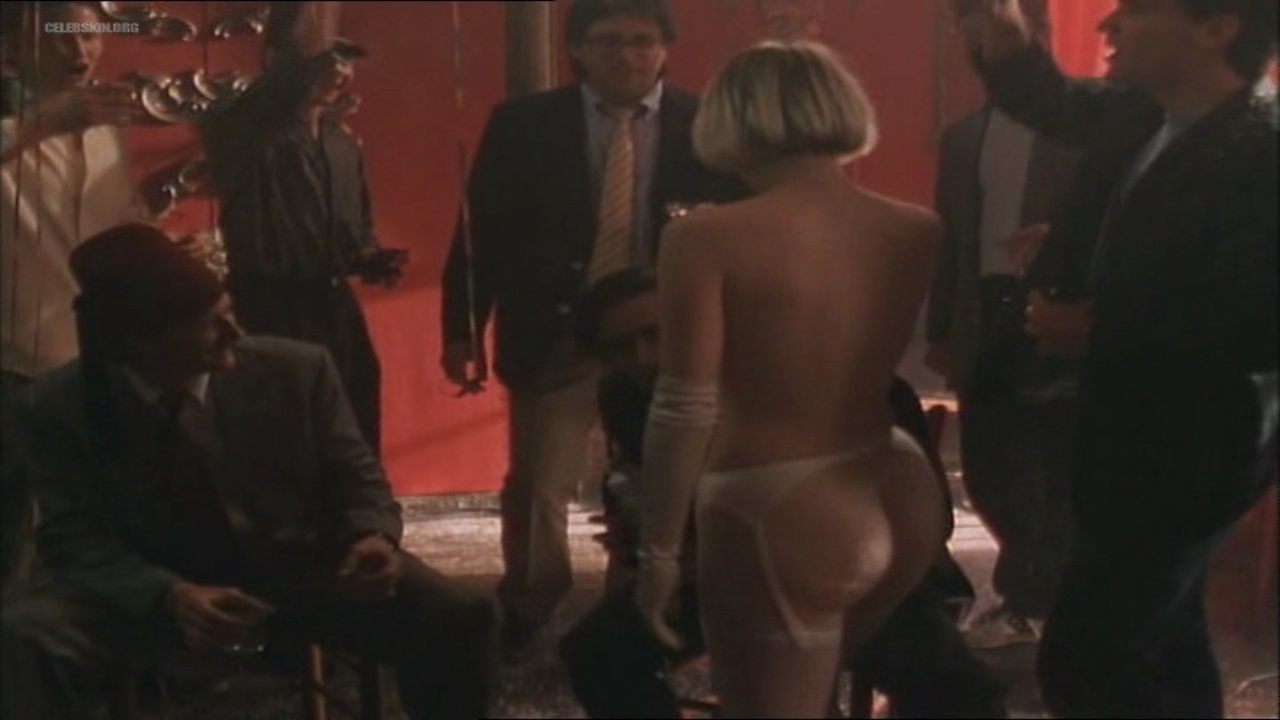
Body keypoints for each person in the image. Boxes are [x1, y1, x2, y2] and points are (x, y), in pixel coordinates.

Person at [0, 222, 497, 720]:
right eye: (210, 323)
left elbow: (356, 476)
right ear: (142, 343)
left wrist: (372, 535)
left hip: (295, 574)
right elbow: (73, 539)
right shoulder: (56, 406)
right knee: (26, 638)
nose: (235, 334)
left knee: (456, 612)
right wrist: (168, 594)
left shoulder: (296, 370)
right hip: (145, 594)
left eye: (230, 313)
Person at [962, 1, 1278, 716]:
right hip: (1115, 422)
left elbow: (1256, 322)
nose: (1108, 25)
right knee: (1164, 643)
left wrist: (1098, 330)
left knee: (1089, 657)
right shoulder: (1141, 113)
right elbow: (1051, 100)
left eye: (1135, 9)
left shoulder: (1264, 152)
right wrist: (1006, 40)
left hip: (1194, 443)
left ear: (1217, 27)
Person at [633, 41, 951, 717]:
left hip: (776, 497)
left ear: (732, 120)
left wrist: (657, 549)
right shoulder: (914, 228)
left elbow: (684, 405)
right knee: (820, 691)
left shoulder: (705, 238)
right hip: (897, 482)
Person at [440, 0, 745, 659]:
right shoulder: (524, 124)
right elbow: (480, 231)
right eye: (607, 42)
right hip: (556, 326)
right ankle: (530, 601)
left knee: (662, 473)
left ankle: (637, 604)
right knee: (539, 483)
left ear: (665, 48)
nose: (626, 55)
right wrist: (461, 327)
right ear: (577, 49)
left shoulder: (707, 125)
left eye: (641, 41)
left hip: (669, 332)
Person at [561, 268, 1006, 719]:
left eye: (658, 333)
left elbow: (922, 518)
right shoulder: (628, 396)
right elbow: (643, 497)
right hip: (716, 583)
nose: (644, 357)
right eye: (620, 349)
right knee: (598, 654)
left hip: (858, 579)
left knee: (954, 689)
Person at [926, 0, 1081, 648]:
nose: (980, 43)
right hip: (984, 308)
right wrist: (940, 330)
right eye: (970, 32)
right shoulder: (963, 135)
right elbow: (950, 240)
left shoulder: (1085, 128)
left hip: (1057, 312)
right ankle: (1028, 584)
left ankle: (1035, 597)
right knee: (987, 466)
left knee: (1051, 462)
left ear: (1037, 33)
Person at [198, 1, 402, 454]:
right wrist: (294, 67)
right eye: (325, 60)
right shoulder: (248, 135)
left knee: (353, 414)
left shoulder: (341, 143)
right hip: (269, 303)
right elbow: (248, 117)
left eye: (344, 59)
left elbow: (355, 228)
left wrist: (369, 258)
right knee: (287, 430)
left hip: (333, 303)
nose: (340, 71)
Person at [1, 1, 148, 595]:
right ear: (16, 47)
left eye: (88, 37)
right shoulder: (22, 123)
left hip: (91, 355)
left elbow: (116, 221)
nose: (79, 51)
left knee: (89, 528)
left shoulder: (105, 130)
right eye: (60, 36)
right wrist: (41, 122)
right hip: (13, 359)